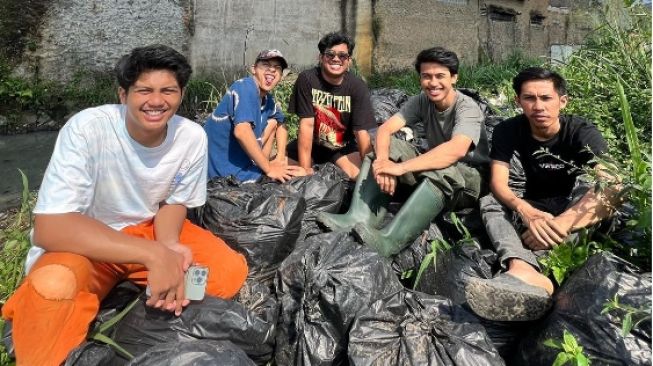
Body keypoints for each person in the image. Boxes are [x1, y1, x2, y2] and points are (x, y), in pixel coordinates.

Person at [1, 44, 248, 365]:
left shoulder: (191, 137)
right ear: (123, 94)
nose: (156, 101)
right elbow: (52, 228)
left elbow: (173, 202)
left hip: (145, 231)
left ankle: (128, 287)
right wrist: (155, 255)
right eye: (144, 90)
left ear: (181, 94)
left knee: (225, 273)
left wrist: (170, 244)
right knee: (52, 286)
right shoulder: (88, 129)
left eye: (168, 91)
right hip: (84, 241)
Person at [466, 67, 618, 322]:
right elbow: (499, 182)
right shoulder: (508, 129)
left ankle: (545, 271)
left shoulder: (581, 131)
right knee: (490, 201)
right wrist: (525, 210)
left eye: (546, 98)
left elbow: (613, 183)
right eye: (530, 98)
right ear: (518, 102)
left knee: (596, 196)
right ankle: (520, 265)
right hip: (533, 204)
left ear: (562, 101)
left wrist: (559, 224)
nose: (538, 106)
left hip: (570, 208)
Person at [318, 46, 489, 257]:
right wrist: (383, 162)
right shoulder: (421, 101)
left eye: (440, 76)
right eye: (426, 76)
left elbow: (456, 150)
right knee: (386, 147)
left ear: (454, 78)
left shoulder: (467, 108)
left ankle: (389, 241)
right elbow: (384, 130)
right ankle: (358, 218)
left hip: (469, 179)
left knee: (442, 168)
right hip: (435, 165)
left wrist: (399, 168)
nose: (433, 83)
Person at [204, 49, 305, 182]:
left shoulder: (267, 99)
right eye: (266, 65)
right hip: (226, 173)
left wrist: (280, 157)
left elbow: (281, 123)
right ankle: (262, 171)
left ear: (281, 76)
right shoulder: (246, 87)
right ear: (253, 69)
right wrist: (269, 169)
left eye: (277, 68)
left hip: (244, 161)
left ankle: (261, 166)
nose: (272, 70)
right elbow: (241, 131)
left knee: (274, 122)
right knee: (302, 174)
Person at [286, 32, 376, 180]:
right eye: (330, 54)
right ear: (321, 58)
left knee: (363, 178)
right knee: (284, 174)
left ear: (349, 61)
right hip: (313, 144)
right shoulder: (307, 79)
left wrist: (370, 165)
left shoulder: (357, 87)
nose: (336, 59)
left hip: (342, 147)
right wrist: (305, 169)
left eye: (342, 56)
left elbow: (361, 132)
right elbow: (306, 125)